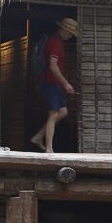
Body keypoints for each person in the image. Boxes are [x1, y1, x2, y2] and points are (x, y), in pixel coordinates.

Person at [29, 17, 79, 153]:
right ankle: (49, 149)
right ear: (63, 29)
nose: (70, 37)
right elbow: (53, 66)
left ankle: (38, 137)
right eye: (69, 33)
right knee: (54, 113)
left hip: (54, 82)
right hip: (50, 82)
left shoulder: (57, 42)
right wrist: (66, 84)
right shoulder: (55, 43)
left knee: (63, 112)